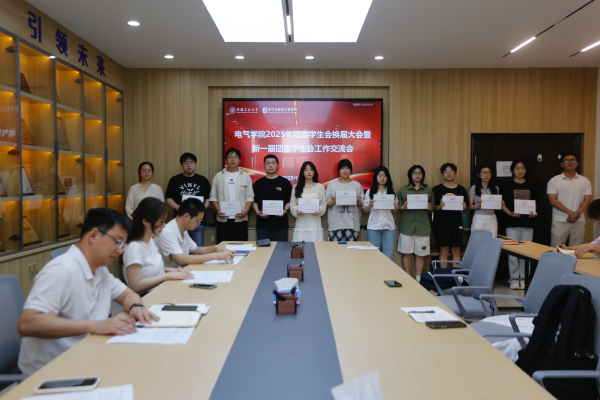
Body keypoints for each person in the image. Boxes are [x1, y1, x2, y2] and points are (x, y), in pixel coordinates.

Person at [17, 208, 159, 374]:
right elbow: (27, 323)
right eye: (117, 241)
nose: (120, 251)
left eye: (123, 245)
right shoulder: (62, 270)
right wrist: (94, 326)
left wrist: (136, 307)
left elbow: (127, 294)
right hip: (53, 371)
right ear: (93, 235)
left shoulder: (100, 269)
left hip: (88, 356)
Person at [123, 197, 193, 294]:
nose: (164, 226)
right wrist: (167, 276)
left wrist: (174, 271)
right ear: (145, 221)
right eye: (161, 222)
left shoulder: (150, 241)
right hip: (146, 296)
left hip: (159, 290)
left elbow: (150, 271)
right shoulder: (134, 247)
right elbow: (136, 286)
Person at [154, 198, 235, 269]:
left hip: (180, 272)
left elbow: (197, 251)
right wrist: (215, 256)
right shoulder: (167, 232)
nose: (199, 223)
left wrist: (216, 248)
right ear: (186, 216)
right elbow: (181, 260)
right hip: (167, 277)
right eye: (197, 220)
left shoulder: (183, 230)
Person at [501, 159, 538, 290]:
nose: (520, 170)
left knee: (526, 252)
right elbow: (502, 204)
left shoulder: (532, 185)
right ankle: (514, 279)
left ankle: (524, 279)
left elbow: (535, 204)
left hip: (528, 222)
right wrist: (510, 213)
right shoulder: (506, 185)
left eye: (522, 168)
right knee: (512, 252)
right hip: (511, 222)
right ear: (512, 170)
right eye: (517, 168)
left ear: (526, 170)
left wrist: (534, 213)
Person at [165, 153, 211, 247]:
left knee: (197, 248)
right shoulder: (174, 180)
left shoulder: (203, 180)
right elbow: (168, 197)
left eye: (191, 162)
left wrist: (202, 208)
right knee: (180, 249)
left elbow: (209, 198)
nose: (189, 165)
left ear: (195, 164)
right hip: (180, 222)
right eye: (186, 162)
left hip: (198, 222)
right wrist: (177, 207)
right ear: (181, 164)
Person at [397, 165, 434, 281]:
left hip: (423, 227)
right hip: (407, 227)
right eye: (414, 173)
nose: (417, 175)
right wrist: (403, 207)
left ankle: (418, 280)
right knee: (406, 254)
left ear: (423, 175)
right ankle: (408, 279)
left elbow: (432, 207)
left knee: (420, 254)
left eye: (419, 173)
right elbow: (398, 207)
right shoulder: (403, 190)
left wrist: (430, 208)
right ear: (410, 175)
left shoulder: (428, 191)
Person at [209, 148, 254, 243]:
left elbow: (250, 196)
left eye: (235, 157)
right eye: (230, 157)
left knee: (240, 247)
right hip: (222, 220)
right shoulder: (218, 176)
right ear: (226, 160)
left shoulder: (246, 176)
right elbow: (213, 196)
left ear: (239, 160)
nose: (233, 159)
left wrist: (246, 211)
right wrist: (218, 210)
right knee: (223, 248)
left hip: (240, 219)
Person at [547, 153, 593, 247]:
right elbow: (552, 200)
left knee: (576, 249)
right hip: (560, 220)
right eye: (567, 160)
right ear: (562, 164)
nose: (570, 162)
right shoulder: (554, 180)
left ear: (577, 163)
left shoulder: (585, 181)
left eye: (573, 160)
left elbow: (587, 199)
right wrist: (571, 213)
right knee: (557, 248)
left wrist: (577, 214)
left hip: (579, 220)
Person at [432, 163, 468, 268]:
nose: (449, 174)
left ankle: (456, 276)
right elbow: (432, 208)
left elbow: (465, 207)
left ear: (455, 174)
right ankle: (443, 275)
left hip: (456, 223)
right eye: (446, 172)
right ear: (442, 174)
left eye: (451, 171)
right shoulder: (436, 189)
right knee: (443, 250)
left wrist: (464, 206)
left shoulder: (461, 189)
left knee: (456, 250)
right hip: (441, 223)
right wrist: (440, 206)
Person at [252, 154, 293, 241]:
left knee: (280, 248)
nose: (270, 165)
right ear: (264, 166)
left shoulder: (285, 182)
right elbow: (254, 201)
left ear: (277, 165)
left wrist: (285, 210)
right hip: (262, 225)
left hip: (281, 225)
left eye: (273, 163)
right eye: (268, 163)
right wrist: (257, 212)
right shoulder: (258, 183)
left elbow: (289, 201)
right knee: (263, 249)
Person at [362, 166, 399, 260]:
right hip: (373, 227)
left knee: (388, 255)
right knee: (373, 256)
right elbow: (365, 211)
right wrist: (370, 205)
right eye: (380, 175)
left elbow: (395, 211)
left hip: (389, 227)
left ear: (388, 177)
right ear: (376, 177)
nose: (382, 178)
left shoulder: (392, 192)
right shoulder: (370, 192)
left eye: (385, 175)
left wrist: (395, 207)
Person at [325, 159, 364, 242]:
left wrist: (358, 200)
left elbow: (362, 204)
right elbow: (327, 203)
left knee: (350, 249)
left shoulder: (357, 185)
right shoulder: (332, 185)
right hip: (335, 224)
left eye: (347, 168)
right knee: (335, 249)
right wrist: (333, 200)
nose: (345, 171)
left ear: (351, 170)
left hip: (352, 224)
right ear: (338, 171)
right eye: (342, 168)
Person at [290, 161, 327, 241]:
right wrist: (297, 210)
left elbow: (323, 205)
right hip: (301, 220)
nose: (309, 172)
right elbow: (293, 205)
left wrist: (319, 210)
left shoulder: (320, 187)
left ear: (314, 172)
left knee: (316, 245)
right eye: (306, 170)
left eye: (311, 170)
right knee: (300, 245)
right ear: (302, 172)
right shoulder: (296, 187)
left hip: (315, 221)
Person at [468, 165, 500, 238]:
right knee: (477, 240)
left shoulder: (496, 188)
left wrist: (500, 204)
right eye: (483, 172)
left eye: (488, 172)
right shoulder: (474, 188)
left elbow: (497, 205)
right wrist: (478, 205)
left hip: (492, 217)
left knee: (492, 239)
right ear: (479, 175)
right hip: (479, 217)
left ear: (491, 175)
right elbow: (469, 206)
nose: (486, 175)